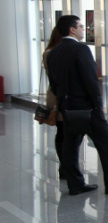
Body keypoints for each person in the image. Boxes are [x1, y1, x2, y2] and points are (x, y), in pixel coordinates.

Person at [46, 15, 108, 196]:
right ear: (72, 29)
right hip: (87, 107)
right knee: (107, 143)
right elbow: (90, 80)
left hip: (67, 107)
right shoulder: (80, 49)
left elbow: (54, 84)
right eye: (80, 26)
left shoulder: (53, 53)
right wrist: (97, 106)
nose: (83, 29)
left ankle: (76, 184)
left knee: (70, 145)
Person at [43, 26, 65, 180]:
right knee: (63, 131)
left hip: (56, 94)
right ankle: (65, 166)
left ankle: (65, 165)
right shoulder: (51, 53)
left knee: (63, 131)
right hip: (58, 96)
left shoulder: (49, 52)